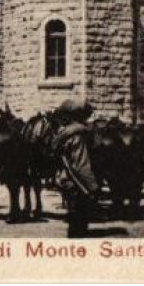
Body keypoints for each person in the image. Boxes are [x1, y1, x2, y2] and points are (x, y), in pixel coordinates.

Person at [54, 100, 99, 238]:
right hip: (77, 182)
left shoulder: (64, 134)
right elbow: (81, 163)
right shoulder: (78, 135)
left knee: (74, 218)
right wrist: (92, 185)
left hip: (66, 179)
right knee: (79, 222)